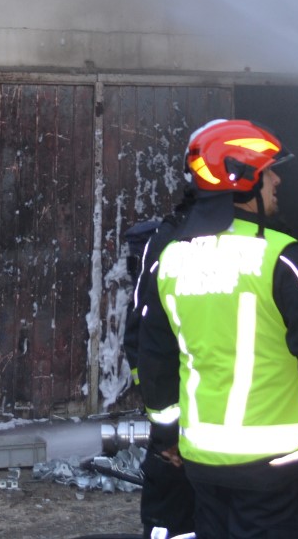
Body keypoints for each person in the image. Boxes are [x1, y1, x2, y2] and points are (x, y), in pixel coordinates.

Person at [138, 119, 298, 539]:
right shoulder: (283, 258)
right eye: (269, 171)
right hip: (273, 467)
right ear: (241, 179)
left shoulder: (170, 259)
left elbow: (154, 357)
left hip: (201, 463)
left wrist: (167, 434)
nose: (278, 180)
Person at [122, 194, 198, 539]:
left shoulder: (166, 248)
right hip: (185, 413)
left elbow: (139, 339)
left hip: (185, 414)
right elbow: (143, 341)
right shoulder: (171, 250)